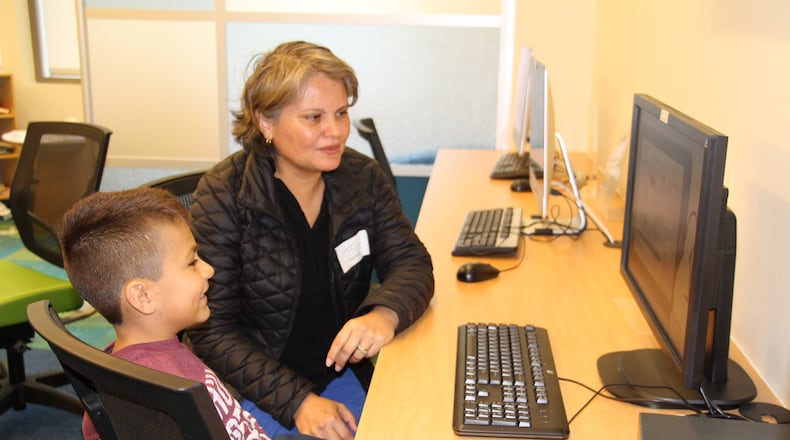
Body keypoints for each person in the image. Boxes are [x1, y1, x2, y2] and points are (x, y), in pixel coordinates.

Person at [187, 40, 435, 439]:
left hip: (343, 371)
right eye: (313, 117)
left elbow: (411, 261)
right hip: (256, 386)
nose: (335, 132)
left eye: (341, 113)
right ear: (266, 122)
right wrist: (296, 401)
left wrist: (384, 314)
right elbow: (212, 331)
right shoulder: (223, 195)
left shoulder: (361, 177)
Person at [59, 188, 273, 440]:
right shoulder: (156, 396)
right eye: (192, 262)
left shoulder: (145, 362)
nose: (208, 270)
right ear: (143, 296)